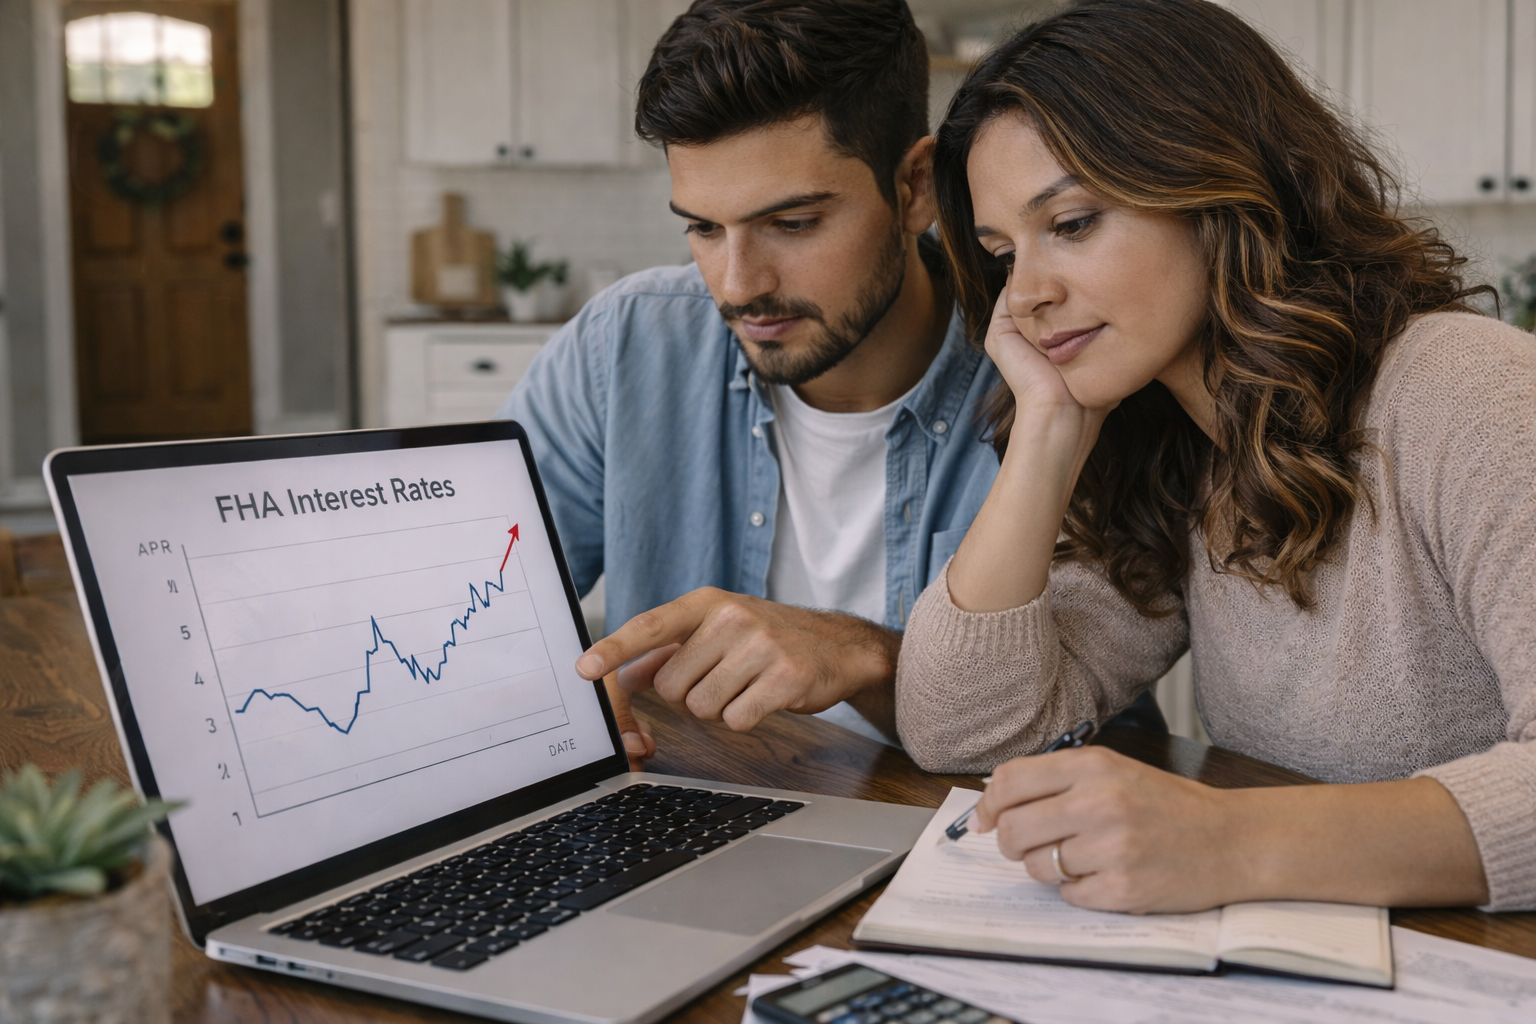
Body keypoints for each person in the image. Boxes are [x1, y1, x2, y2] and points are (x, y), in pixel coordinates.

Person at [897, 0, 1536, 914]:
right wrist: (1044, 431)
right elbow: (961, 728)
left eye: (1072, 224)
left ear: (1220, 187)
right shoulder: (1173, 448)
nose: (1028, 294)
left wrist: (1227, 839)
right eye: (1003, 256)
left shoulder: (1468, 390)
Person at [501, 0, 1158, 761]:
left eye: (793, 224)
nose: (738, 285)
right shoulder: (624, 346)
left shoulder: (1065, 357)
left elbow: (1083, 734)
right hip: (697, 814)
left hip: (968, 831)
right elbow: (483, 619)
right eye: (705, 228)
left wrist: (868, 656)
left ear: (915, 187)